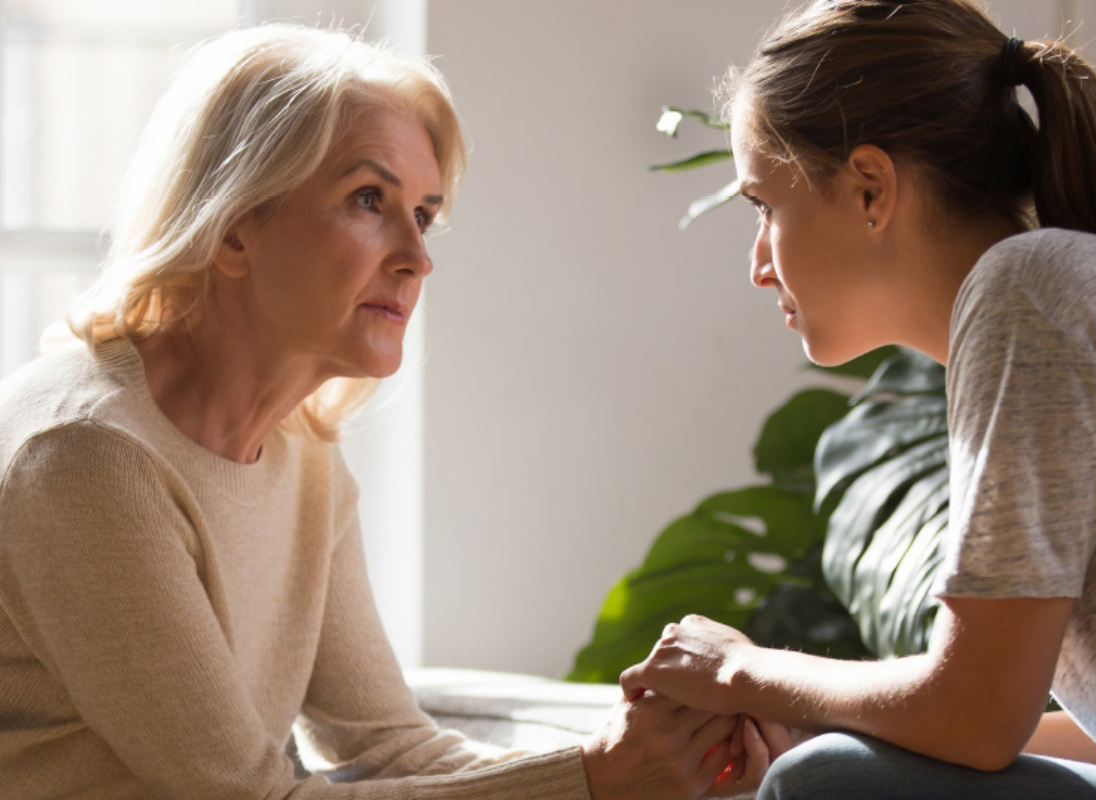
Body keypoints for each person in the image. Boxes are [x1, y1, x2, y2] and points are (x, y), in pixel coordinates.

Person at [0, 24, 783, 799]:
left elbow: (391, 747)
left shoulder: (301, 454)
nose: (418, 256)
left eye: (426, 213)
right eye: (368, 199)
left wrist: (671, 759)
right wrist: (593, 779)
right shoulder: (85, 458)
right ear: (234, 226)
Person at [619, 1, 1096, 798]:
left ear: (869, 190)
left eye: (763, 206)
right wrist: (823, 715)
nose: (758, 264)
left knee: (828, 784)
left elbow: (978, 717)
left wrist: (742, 670)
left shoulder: (1028, 294)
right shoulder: (1063, 289)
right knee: (826, 762)